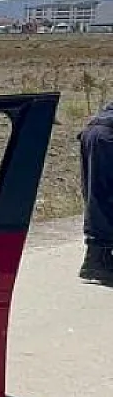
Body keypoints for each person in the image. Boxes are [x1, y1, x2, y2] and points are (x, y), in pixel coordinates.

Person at [83, 100, 113, 286]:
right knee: (103, 194)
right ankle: (98, 260)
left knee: (97, 194)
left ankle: (97, 257)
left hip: (93, 132)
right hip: (106, 135)